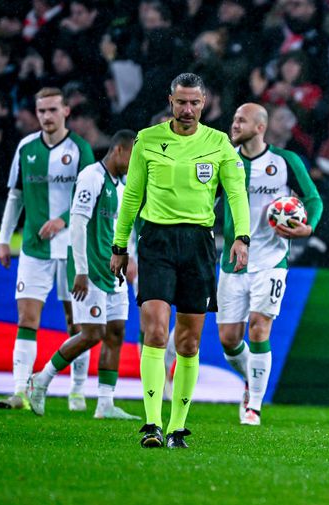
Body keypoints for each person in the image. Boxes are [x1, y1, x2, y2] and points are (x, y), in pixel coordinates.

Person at [110, 73, 250, 449]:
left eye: (195, 103)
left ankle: (177, 428)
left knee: (188, 342)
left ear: (204, 104)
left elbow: (237, 194)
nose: (187, 110)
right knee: (155, 331)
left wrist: (241, 237)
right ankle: (152, 423)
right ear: (170, 101)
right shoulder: (147, 140)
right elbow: (132, 196)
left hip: (199, 245)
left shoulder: (219, 143)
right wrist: (119, 245)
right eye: (181, 102)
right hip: (156, 241)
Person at [218, 103, 322, 425]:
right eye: (234, 118)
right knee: (229, 340)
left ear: (260, 127)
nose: (234, 124)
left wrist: (308, 227)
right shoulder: (223, 159)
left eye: (241, 120)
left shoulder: (286, 161)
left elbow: (313, 199)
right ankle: (254, 376)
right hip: (233, 260)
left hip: (272, 258)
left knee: (260, 328)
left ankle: (254, 406)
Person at [27, 130, 140, 420]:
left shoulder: (121, 185)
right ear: (119, 151)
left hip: (112, 269)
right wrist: (80, 270)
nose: (135, 162)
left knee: (115, 333)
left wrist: (129, 257)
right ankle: (41, 380)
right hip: (88, 269)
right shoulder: (92, 176)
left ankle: (105, 403)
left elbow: (121, 229)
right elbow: (77, 225)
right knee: (92, 333)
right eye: (133, 156)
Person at [0, 87, 95, 411]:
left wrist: (63, 220)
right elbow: (16, 196)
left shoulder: (80, 149)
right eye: (41, 111)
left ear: (66, 111)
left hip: (71, 250)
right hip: (34, 249)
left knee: (76, 324)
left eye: (53, 110)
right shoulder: (26, 147)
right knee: (27, 317)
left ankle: (77, 390)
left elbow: (90, 197)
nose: (46, 117)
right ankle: (19, 391)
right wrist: (3, 239)